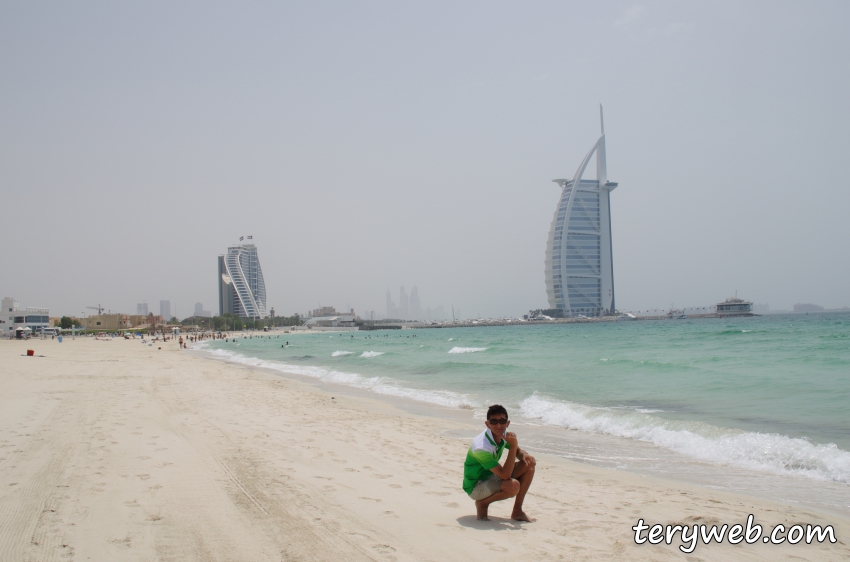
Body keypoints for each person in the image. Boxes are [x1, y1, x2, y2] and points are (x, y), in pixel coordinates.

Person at [462, 404, 536, 522]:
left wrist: (524, 455)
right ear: (487, 424)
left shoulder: (503, 434)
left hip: (491, 475)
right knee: (513, 486)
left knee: (529, 464)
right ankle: (482, 503)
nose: (499, 425)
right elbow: (505, 475)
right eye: (494, 421)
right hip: (476, 486)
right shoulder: (481, 447)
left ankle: (517, 511)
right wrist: (513, 446)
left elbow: (518, 452)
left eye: (502, 421)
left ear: (508, 423)